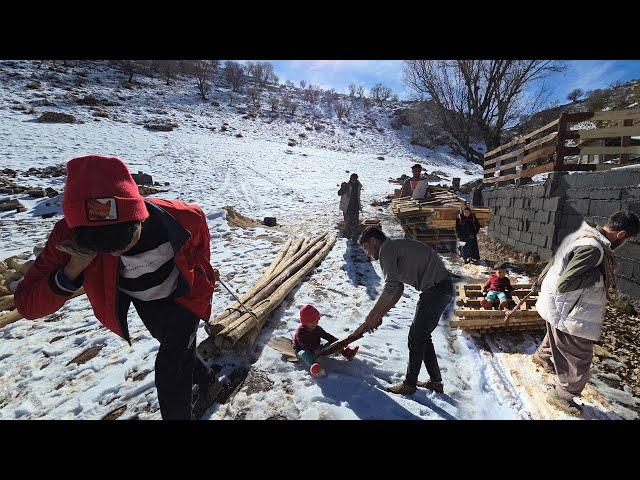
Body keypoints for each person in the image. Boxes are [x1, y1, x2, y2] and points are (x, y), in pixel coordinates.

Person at [15, 154, 220, 420]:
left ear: (139, 216)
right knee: (178, 349)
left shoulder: (181, 217)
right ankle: (208, 380)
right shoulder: (70, 237)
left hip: (185, 296)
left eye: (122, 245)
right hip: (145, 301)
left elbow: (199, 247)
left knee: (171, 366)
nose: (113, 257)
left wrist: (203, 277)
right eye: (104, 250)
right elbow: (27, 305)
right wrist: (74, 267)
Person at [533, 211, 640, 415]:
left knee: (556, 333)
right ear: (621, 234)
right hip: (567, 307)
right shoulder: (594, 249)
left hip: (555, 302)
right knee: (579, 355)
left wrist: (540, 281)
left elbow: (555, 260)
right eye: (626, 239)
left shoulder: (583, 233)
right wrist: (598, 275)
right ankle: (562, 396)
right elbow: (566, 283)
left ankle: (543, 357)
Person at [358, 227, 453, 395]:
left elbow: (390, 287)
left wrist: (371, 317)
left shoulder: (387, 249)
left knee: (416, 337)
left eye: (365, 247)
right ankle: (436, 382)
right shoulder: (392, 249)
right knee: (422, 336)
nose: (366, 253)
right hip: (440, 288)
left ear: (373, 241)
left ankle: (410, 384)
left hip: (436, 289)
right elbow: (398, 288)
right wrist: (379, 315)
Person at [293, 304, 358, 376]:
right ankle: (314, 365)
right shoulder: (301, 332)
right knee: (304, 354)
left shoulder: (317, 329)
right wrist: (313, 350)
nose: (314, 324)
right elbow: (303, 343)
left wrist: (339, 341)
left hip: (317, 348)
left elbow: (326, 336)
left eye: (316, 321)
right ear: (305, 322)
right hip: (304, 350)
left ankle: (346, 352)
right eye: (312, 322)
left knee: (332, 344)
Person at [338, 173, 363, 242]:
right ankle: (348, 237)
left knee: (355, 223)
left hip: (355, 207)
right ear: (350, 178)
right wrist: (343, 187)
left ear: (356, 179)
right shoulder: (346, 185)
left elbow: (358, 196)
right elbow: (339, 193)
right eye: (352, 179)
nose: (353, 180)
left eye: (354, 179)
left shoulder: (358, 185)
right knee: (347, 223)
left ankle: (354, 238)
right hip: (347, 207)